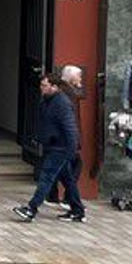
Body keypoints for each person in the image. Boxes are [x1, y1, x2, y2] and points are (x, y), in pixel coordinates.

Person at [13, 71, 86, 224]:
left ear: (54, 87)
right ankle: (78, 211)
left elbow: (70, 128)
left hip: (61, 147)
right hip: (54, 145)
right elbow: (46, 123)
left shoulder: (62, 103)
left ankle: (31, 209)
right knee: (67, 180)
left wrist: (72, 149)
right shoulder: (47, 100)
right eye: (41, 85)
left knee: (46, 177)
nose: (41, 88)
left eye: (44, 85)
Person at [47, 64, 85, 209]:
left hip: (61, 138)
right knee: (74, 166)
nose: (80, 78)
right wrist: (74, 140)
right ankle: (69, 198)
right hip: (66, 138)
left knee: (61, 167)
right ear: (71, 77)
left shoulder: (63, 90)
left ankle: (53, 195)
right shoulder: (68, 93)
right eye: (78, 76)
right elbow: (70, 119)